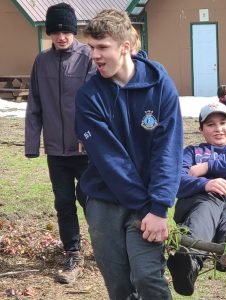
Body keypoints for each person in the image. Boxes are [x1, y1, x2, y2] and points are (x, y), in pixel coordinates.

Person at [75, 9, 183, 299]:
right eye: (91, 48)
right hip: (104, 200)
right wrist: (148, 206)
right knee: (120, 286)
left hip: (149, 202)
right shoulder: (89, 96)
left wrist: (159, 208)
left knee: (148, 277)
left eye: (102, 47)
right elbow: (111, 162)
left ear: (125, 47)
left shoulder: (160, 86)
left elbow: (167, 151)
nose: (94, 55)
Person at [24, 2, 96, 284]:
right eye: (55, 32)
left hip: (85, 148)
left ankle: (106, 248)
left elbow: (94, 102)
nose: (61, 36)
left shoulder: (88, 57)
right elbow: (34, 104)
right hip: (56, 149)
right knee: (64, 203)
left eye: (66, 31)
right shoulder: (41, 61)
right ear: (49, 33)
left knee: (91, 199)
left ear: (74, 31)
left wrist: (88, 137)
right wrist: (32, 144)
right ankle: (74, 252)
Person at [167, 102, 226, 296]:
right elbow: (177, 181)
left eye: (222, 122)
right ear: (201, 129)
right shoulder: (192, 153)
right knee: (204, 211)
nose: (218, 129)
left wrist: (209, 167)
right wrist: (205, 184)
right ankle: (187, 265)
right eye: (210, 125)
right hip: (203, 197)